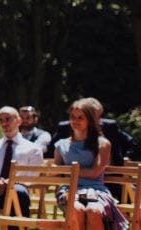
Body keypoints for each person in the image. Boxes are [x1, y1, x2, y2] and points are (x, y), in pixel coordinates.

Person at [53, 98, 128, 230]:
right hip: (69, 190)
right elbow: (57, 174)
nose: (75, 121)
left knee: (94, 211)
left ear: (90, 120)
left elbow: (95, 173)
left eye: (80, 117)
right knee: (77, 209)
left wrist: (69, 171)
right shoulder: (60, 145)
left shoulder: (102, 144)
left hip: (96, 190)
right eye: (72, 117)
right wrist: (62, 172)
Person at [0, 107, 44, 217]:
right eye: (1, 120)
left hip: (17, 192)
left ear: (18, 121)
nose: (4, 124)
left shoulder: (33, 149)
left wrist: (10, 183)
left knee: (18, 191)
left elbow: (32, 176)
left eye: (8, 119)